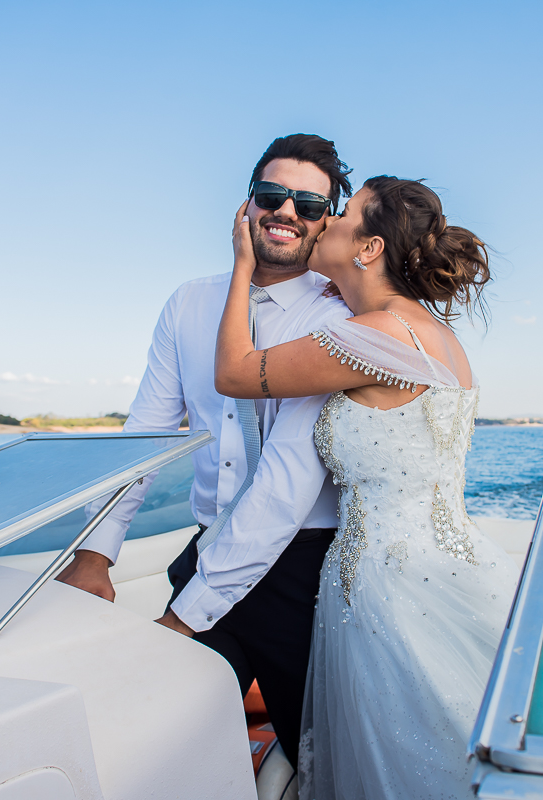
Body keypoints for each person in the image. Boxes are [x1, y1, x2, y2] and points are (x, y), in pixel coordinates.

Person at [214, 176, 521, 799]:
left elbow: (234, 373)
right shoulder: (429, 334)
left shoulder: (376, 336)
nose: (324, 220)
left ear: (370, 248)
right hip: (439, 562)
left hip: (389, 586)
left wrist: (244, 267)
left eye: (344, 213)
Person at [56, 133, 353, 769]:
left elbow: (284, 486)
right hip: (210, 543)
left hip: (302, 573)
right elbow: (147, 435)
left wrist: (186, 615)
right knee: (156, 736)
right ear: (247, 205)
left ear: (327, 220)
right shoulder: (189, 302)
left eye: (307, 204)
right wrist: (94, 552)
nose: (287, 213)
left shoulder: (339, 321)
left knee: (318, 756)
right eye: (273, 196)